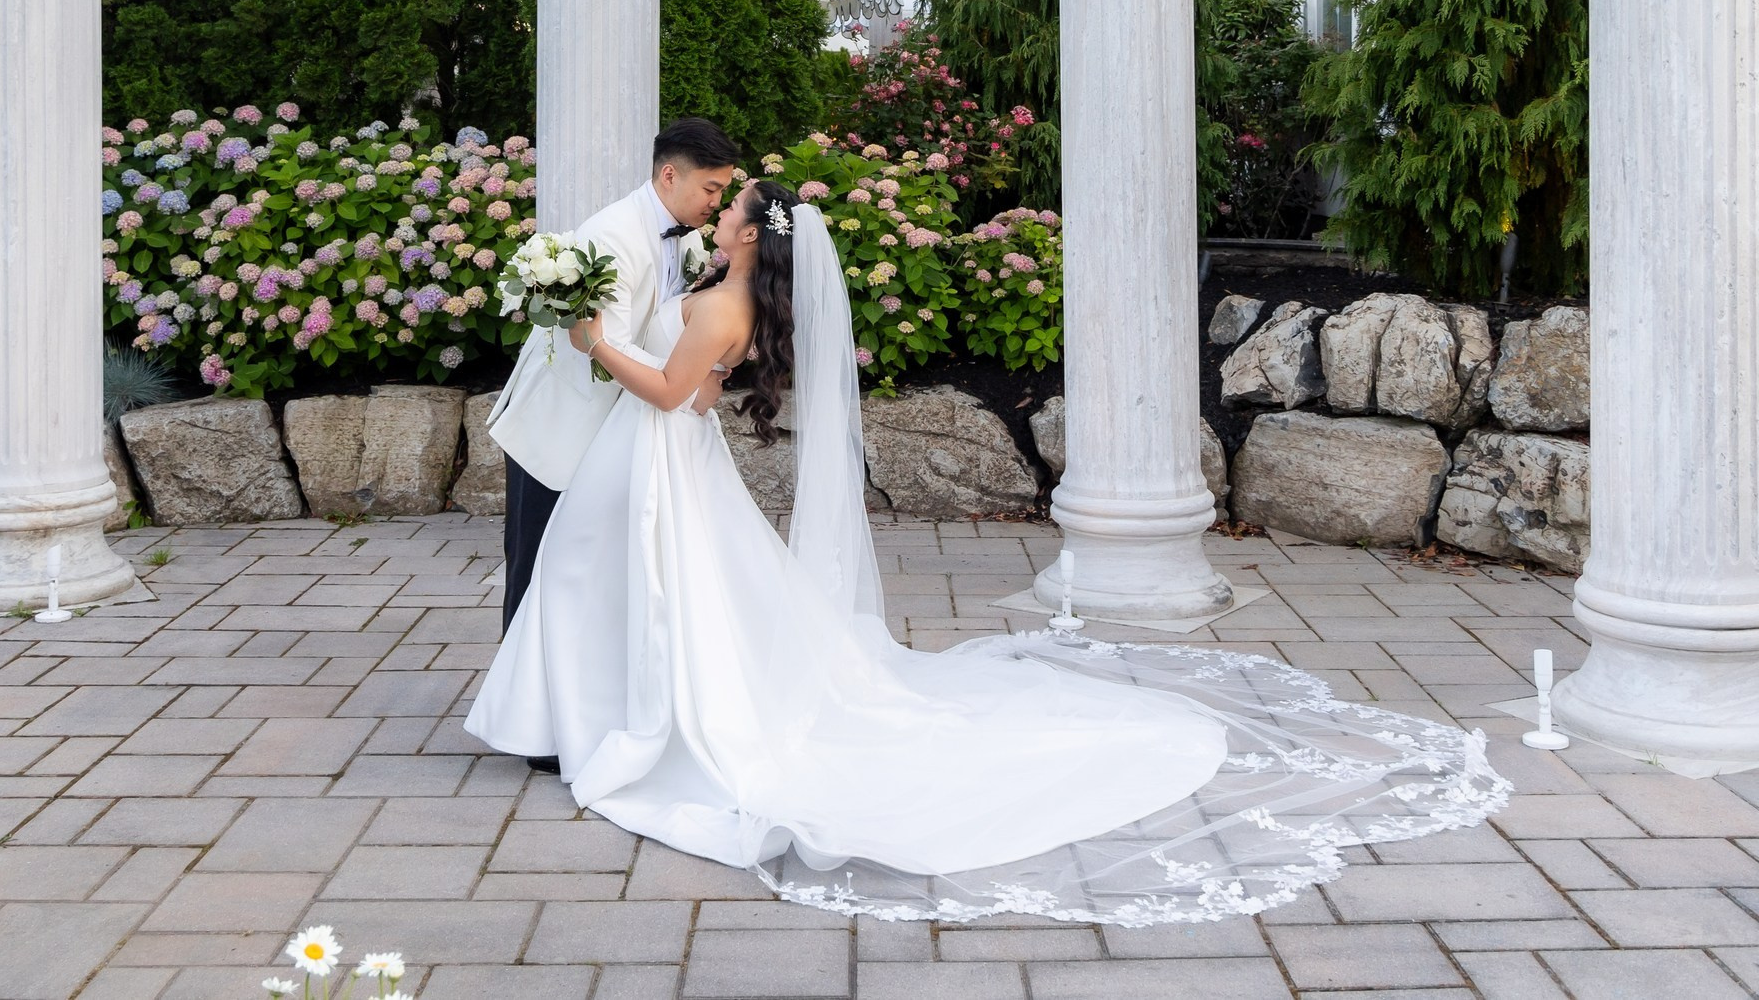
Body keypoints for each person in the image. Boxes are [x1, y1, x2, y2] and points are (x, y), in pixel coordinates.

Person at [465, 180, 1511, 925]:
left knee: (642, 591)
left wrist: (596, 341)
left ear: (748, 236)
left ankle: (602, 719)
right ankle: (579, 709)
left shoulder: (714, 302)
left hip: (655, 457)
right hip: (663, 466)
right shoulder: (734, 294)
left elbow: (675, 393)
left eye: (734, 206)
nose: (724, 207)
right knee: (649, 593)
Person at [485, 119, 738, 639]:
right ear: (671, 175)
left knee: (583, 573)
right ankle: (514, 707)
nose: (717, 201)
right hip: (561, 423)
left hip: (616, 426)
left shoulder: (683, 237)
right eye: (711, 188)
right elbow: (606, 343)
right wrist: (678, 386)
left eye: (724, 192)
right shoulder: (613, 233)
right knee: (535, 564)